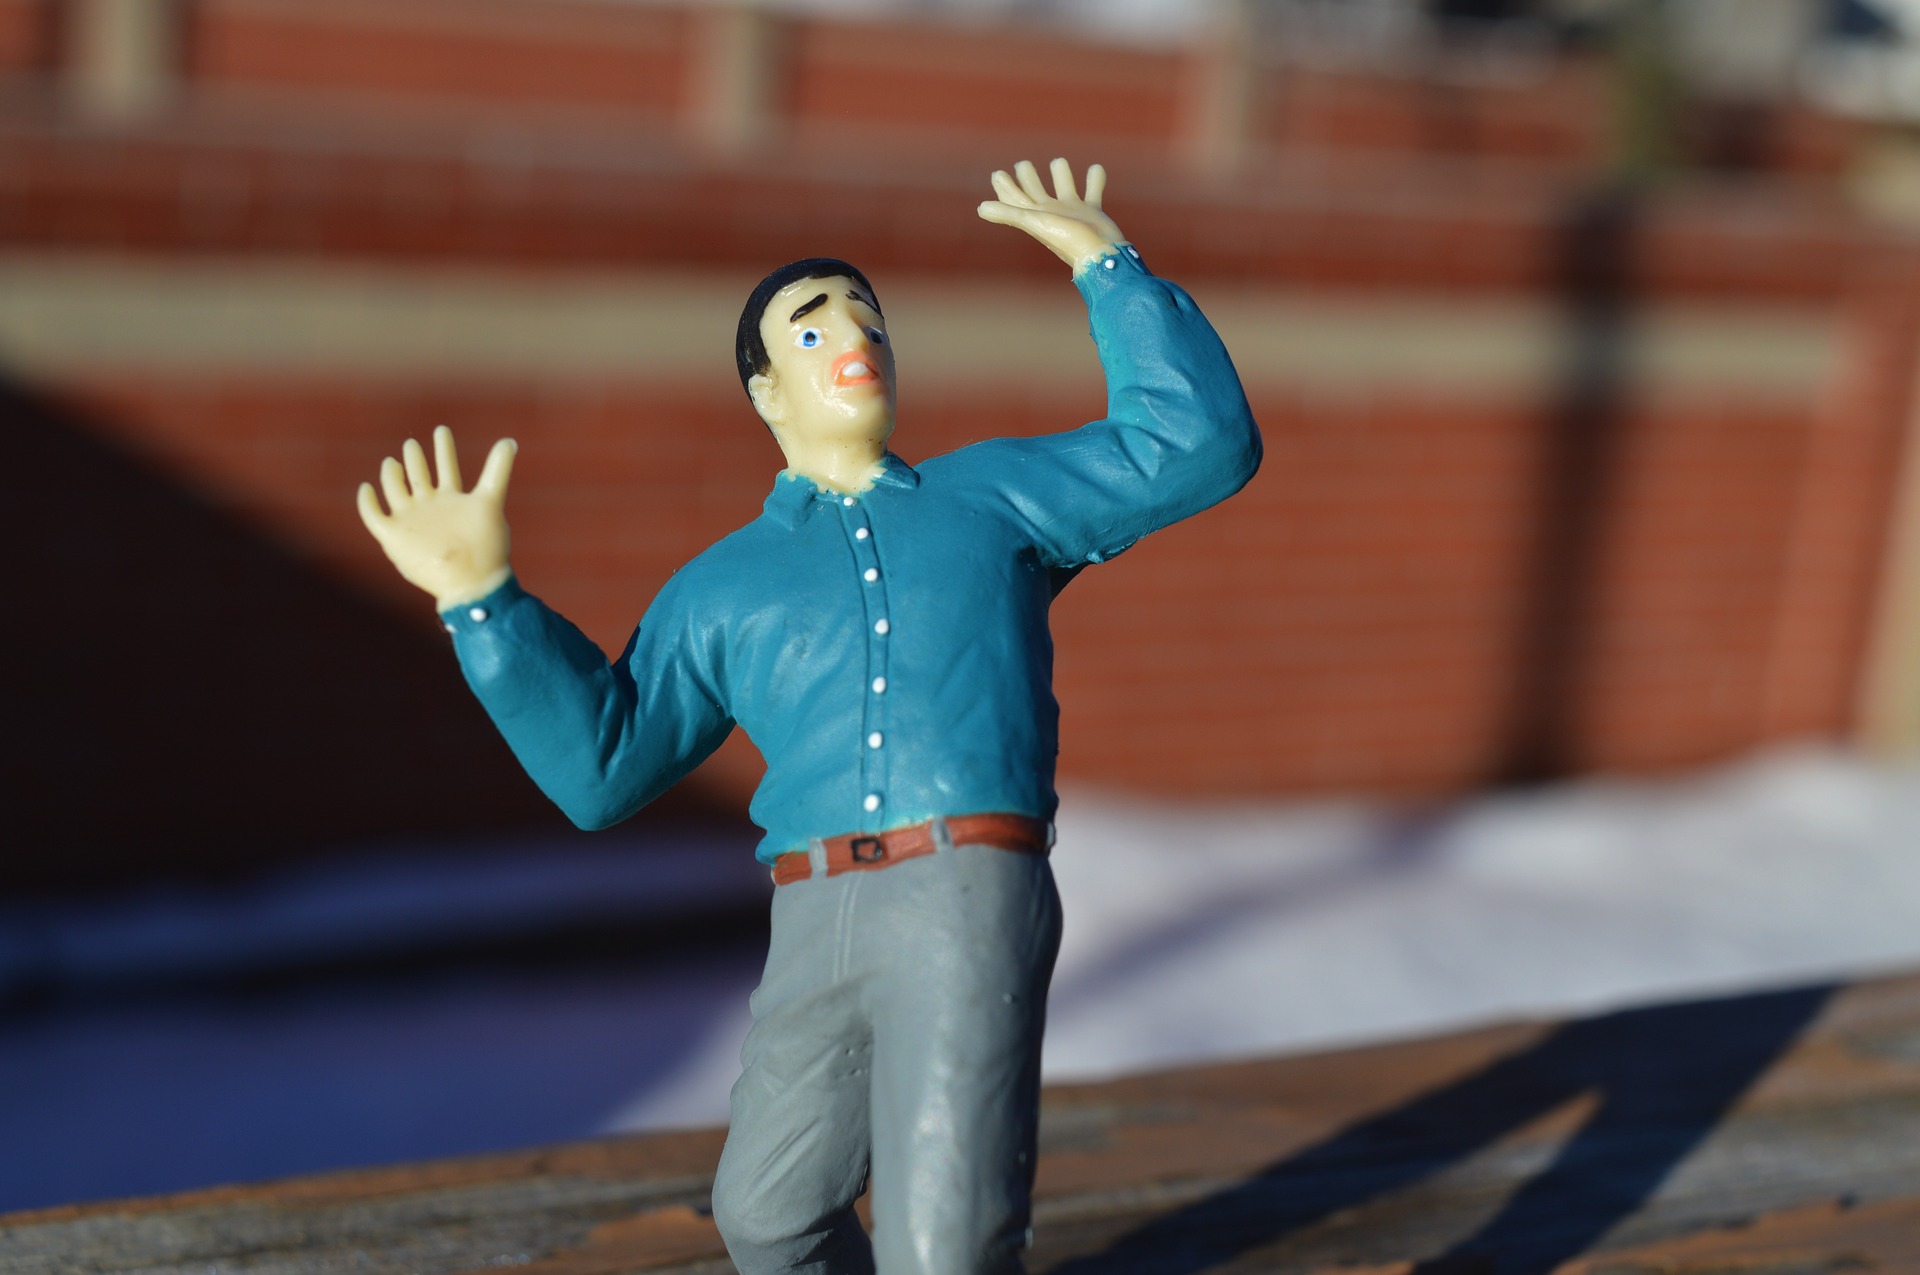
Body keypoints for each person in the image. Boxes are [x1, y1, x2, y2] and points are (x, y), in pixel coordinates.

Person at [357, 159, 1260, 1275]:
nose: (857, 342)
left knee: (946, 1234)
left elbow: (1197, 445)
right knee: (769, 1213)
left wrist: (1109, 271)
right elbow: (603, 766)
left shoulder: (990, 498)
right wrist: (484, 606)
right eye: (815, 328)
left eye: (872, 323)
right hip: (812, 912)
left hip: (965, 886)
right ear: (766, 392)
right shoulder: (720, 589)